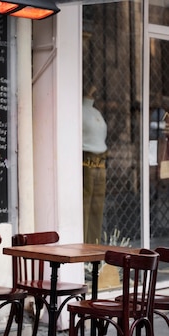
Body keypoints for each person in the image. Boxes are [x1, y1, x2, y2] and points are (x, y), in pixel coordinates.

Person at [82, 85, 108, 244]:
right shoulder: (78, 111)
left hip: (101, 160)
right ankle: (83, 243)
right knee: (85, 205)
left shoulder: (96, 112)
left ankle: (93, 245)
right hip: (86, 160)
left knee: (97, 206)